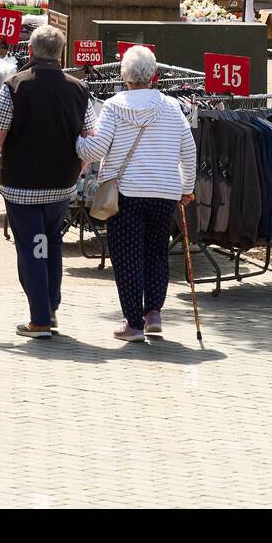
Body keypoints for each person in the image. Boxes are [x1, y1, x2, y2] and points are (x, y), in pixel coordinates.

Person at [0, 24, 93, 340]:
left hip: (22, 183)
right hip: (62, 184)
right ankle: (50, 308)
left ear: (29, 51)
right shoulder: (79, 89)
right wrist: (77, 168)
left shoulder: (15, 86)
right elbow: (91, 140)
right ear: (60, 54)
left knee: (31, 248)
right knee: (51, 243)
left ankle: (39, 318)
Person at [77, 45, 197, 343]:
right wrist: (186, 189)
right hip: (165, 192)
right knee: (157, 253)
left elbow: (96, 149)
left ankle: (133, 323)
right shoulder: (172, 107)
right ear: (154, 75)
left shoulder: (115, 106)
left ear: (124, 76)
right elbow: (189, 151)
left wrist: (77, 143)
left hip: (127, 192)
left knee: (128, 256)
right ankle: (153, 312)